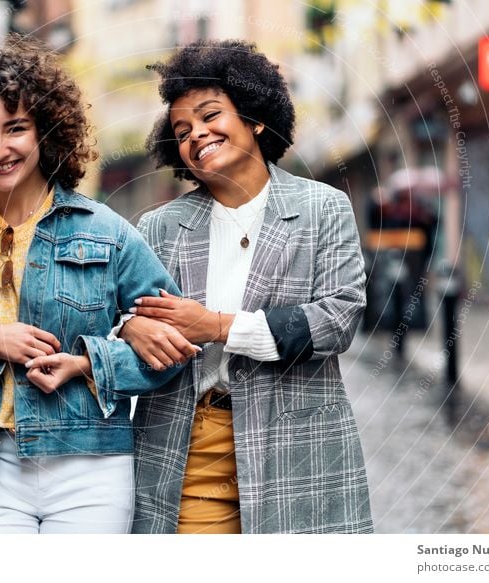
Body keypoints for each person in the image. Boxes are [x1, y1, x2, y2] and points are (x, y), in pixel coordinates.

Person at [0, 35, 194, 534]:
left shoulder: (106, 231)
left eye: (16, 129)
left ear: (44, 131)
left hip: (92, 466)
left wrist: (89, 362)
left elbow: (177, 345)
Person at [120, 39, 373, 533]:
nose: (197, 134)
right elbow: (121, 318)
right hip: (189, 443)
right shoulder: (158, 227)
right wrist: (129, 329)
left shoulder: (324, 209)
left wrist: (214, 326)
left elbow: (337, 320)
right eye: (182, 130)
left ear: (255, 118)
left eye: (211, 116)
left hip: (298, 444)